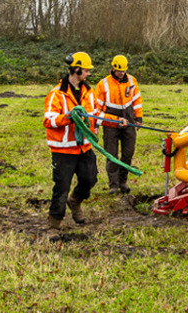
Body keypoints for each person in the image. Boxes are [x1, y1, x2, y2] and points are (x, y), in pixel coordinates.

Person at [44, 52, 103, 224]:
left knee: (90, 179)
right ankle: (54, 223)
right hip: (63, 150)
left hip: (84, 146)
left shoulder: (89, 92)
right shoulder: (56, 94)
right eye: (86, 71)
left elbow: (96, 113)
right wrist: (69, 117)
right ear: (76, 70)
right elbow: (49, 120)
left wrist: (116, 121)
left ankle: (75, 201)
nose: (89, 74)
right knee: (62, 187)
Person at [93, 54, 144, 195]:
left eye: (123, 71)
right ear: (113, 68)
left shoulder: (132, 81)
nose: (121, 73)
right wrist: (97, 124)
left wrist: (138, 117)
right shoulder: (103, 84)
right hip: (110, 125)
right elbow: (96, 110)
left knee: (128, 154)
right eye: (118, 71)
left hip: (129, 121)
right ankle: (113, 185)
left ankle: (123, 182)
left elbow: (137, 100)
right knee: (112, 155)